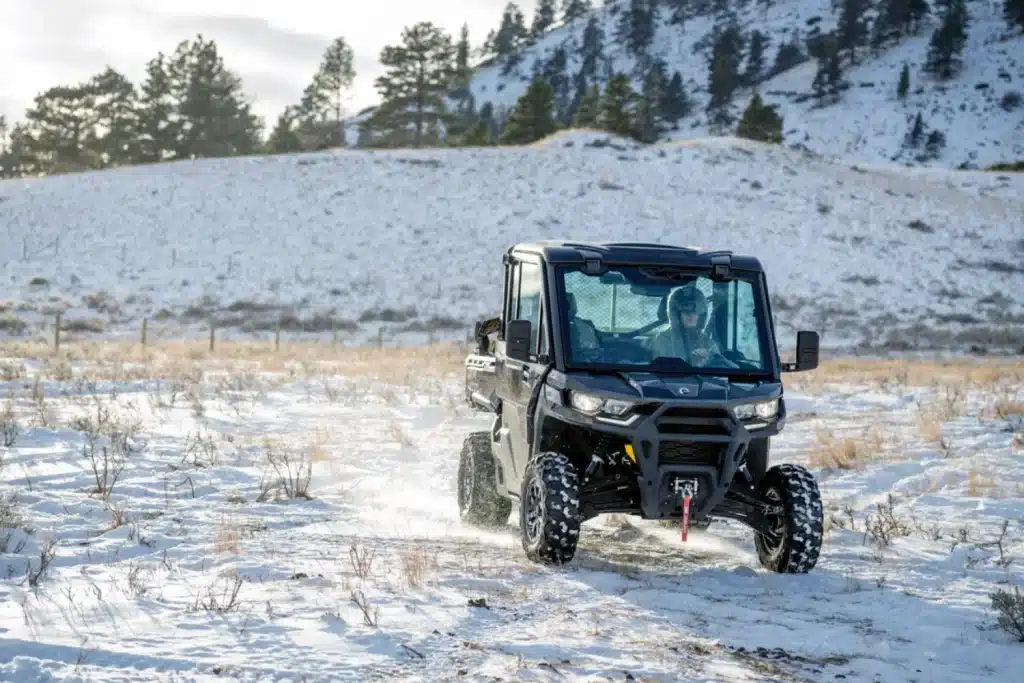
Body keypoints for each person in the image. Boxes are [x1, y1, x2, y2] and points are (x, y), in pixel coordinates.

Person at [651, 284, 730, 367]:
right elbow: (661, 370)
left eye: (695, 311)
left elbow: (720, 369)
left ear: (701, 315)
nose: (691, 315)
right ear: (676, 314)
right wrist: (692, 363)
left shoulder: (707, 342)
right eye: (686, 311)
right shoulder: (663, 340)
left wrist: (707, 361)